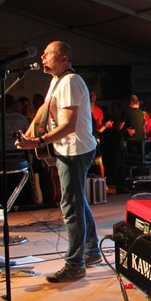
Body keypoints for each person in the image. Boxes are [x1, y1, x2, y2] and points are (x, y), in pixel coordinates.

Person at [16, 41, 102, 282]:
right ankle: (91, 250)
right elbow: (45, 106)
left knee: (70, 206)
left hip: (75, 151)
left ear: (63, 58)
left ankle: (75, 264)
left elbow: (69, 125)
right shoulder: (57, 80)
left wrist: (39, 141)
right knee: (77, 200)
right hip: (68, 149)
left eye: (48, 54)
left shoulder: (71, 82)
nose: (42, 58)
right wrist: (31, 130)